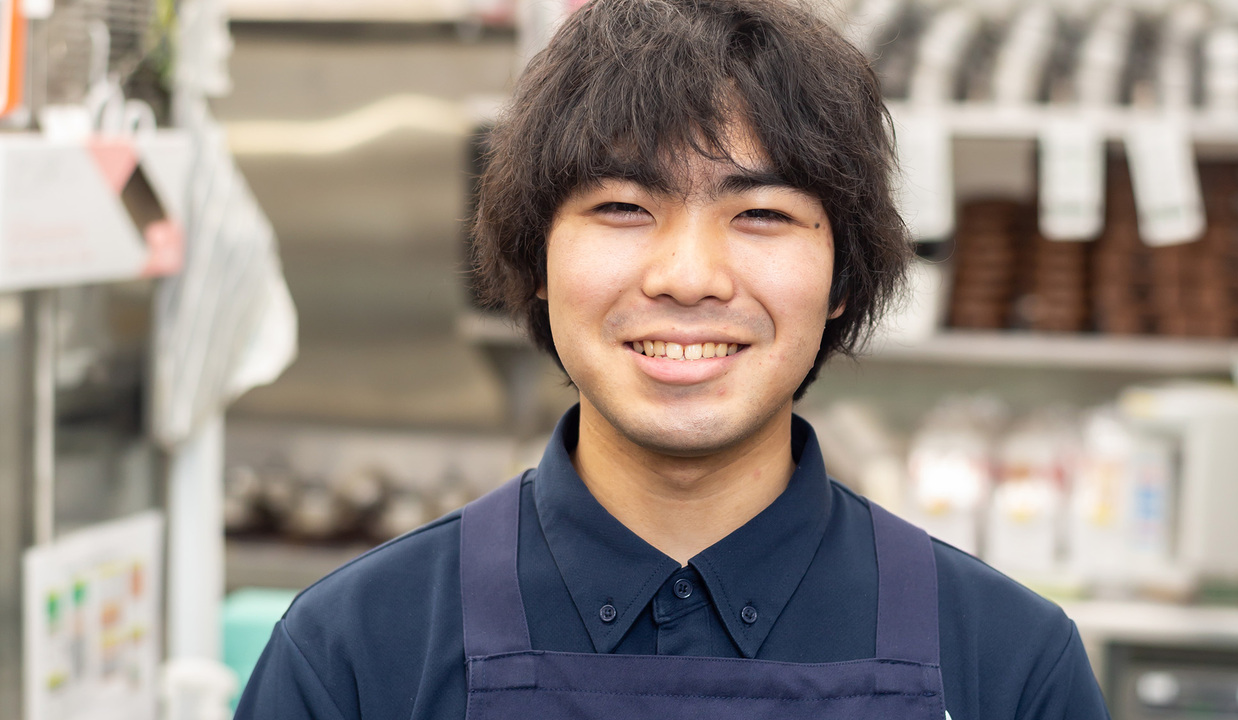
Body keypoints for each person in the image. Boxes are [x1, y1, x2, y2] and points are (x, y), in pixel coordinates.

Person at [234, 0, 1112, 717]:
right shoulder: (353, 655)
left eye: (762, 214)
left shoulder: (1009, 665)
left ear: (844, 278)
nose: (688, 277)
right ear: (537, 260)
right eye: (622, 207)